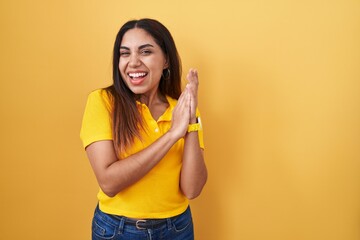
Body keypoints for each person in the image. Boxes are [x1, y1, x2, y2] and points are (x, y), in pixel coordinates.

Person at [80, 18, 207, 240]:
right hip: (117, 230)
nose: (133, 62)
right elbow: (109, 183)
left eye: (145, 52)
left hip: (177, 228)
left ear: (166, 60)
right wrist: (172, 135)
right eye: (125, 53)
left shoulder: (183, 108)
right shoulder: (102, 102)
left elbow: (192, 189)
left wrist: (191, 123)